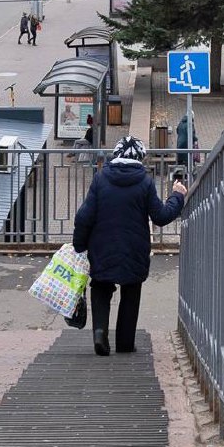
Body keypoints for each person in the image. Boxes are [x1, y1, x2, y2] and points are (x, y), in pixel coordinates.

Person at [73, 136, 187, 356]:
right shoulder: (145, 182)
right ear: (140, 158)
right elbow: (161, 216)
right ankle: (125, 343)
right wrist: (177, 196)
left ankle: (99, 333)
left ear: (116, 154)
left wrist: (79, 244)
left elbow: (84, 215)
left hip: (102, 246)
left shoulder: (101, 179)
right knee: (131, 291)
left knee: (100, 287)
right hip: (134, 248)